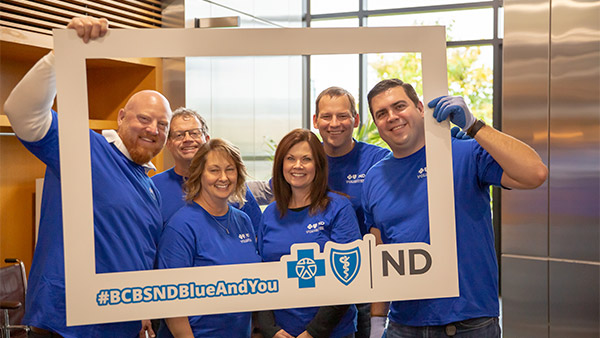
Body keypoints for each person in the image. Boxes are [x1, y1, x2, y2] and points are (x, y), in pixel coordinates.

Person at [3, 17, 174, 337]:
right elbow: (21, 112)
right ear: (122, 117)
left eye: (162, 125)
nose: (153, 129)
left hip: (121, 325)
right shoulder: (83, 148)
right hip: (66, 324)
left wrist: (144, 310)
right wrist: (60, 55)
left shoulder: (150, 187)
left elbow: (139, 254)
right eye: (144, 119)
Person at [362, 79, 548, 338]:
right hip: (403, 325)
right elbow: (380, 253)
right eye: (381, 113)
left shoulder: (465, 152)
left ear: (419, 107)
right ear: (376, 123)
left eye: (399, 106)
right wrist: (377, 324)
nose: (392, 117)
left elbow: (535, 173)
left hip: (468, 323)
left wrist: (474, 125)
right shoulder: (374, 178)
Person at [256, 129, 362, 338]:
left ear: (319, 165)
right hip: (282, 332)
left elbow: (349, 276)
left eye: (306, 159)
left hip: (332, 332)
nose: (298, 166)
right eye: (290, 159)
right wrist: (271, 329)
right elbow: (261, 277)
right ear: (281, 165)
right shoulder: (269, 214)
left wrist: (313, 332)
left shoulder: (338, 208)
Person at [156, 138, 261, 338]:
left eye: (230, 169)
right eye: (214, 170)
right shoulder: (181, 227)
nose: (223, 177)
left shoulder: (243, 221)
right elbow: (171, 303)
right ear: (199, 175)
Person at [312, 87, 390, 338]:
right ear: (315, 121)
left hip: (368, 280)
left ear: (356, 120)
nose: (334, 124)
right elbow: (277, 191)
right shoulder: (307, 161)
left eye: (343, 116)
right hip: (319, 280)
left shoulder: (378, 160)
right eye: (326, 116)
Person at [151, 107, 262, 230]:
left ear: (207, 139)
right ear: (168, 143)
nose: (187, 139)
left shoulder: (229, 184)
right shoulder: (155, 187)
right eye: (179, 135)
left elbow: (257, 234)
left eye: (194, 133)